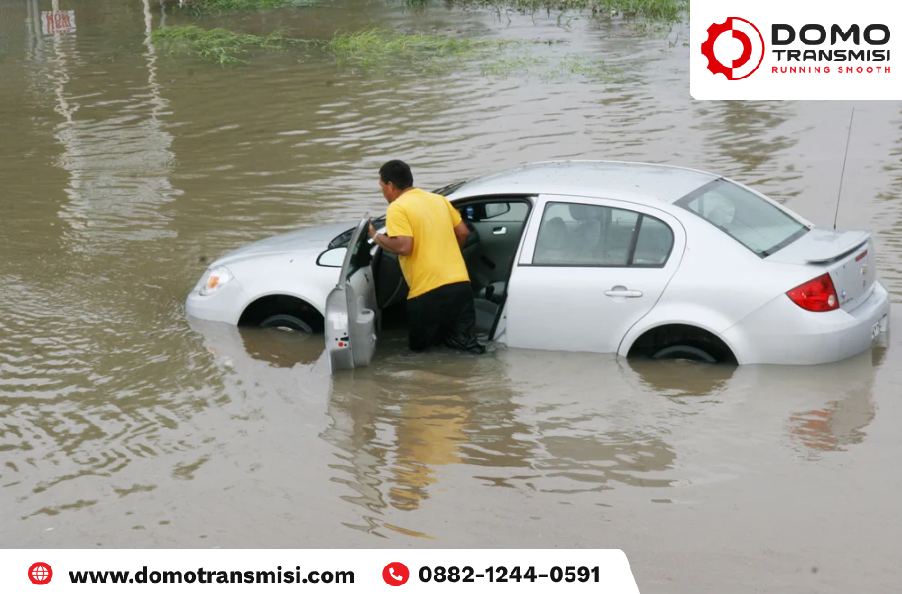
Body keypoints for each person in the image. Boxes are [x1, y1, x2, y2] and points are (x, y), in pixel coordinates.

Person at [368, 160, 485, 354]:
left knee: (423, 354)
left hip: (428, 292)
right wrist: (450, 255)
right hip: (460, 285)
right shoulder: (438, 200)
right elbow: (463, 232)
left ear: (390, 185)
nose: (382, 192)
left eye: (381, 186)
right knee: (466, 347)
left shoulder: (397, 208)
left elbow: (404, 246)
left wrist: (375, 236)